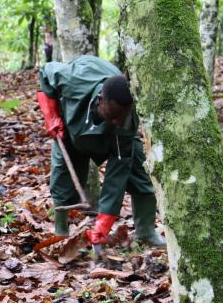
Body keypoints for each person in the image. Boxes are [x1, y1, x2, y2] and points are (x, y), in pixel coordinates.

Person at [36, 55, 165, 248]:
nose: (118, 122)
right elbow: (45, 73)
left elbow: (116, 177)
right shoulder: (75, 79)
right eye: (113, 116)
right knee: (63, 182)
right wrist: (51, 115)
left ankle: (146, 232)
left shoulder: (125, 124)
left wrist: (102, 225)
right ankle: (60, 232)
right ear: (100, 100)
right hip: (71, 128)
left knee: (141, 175)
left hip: (111, 140)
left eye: (122, 117)